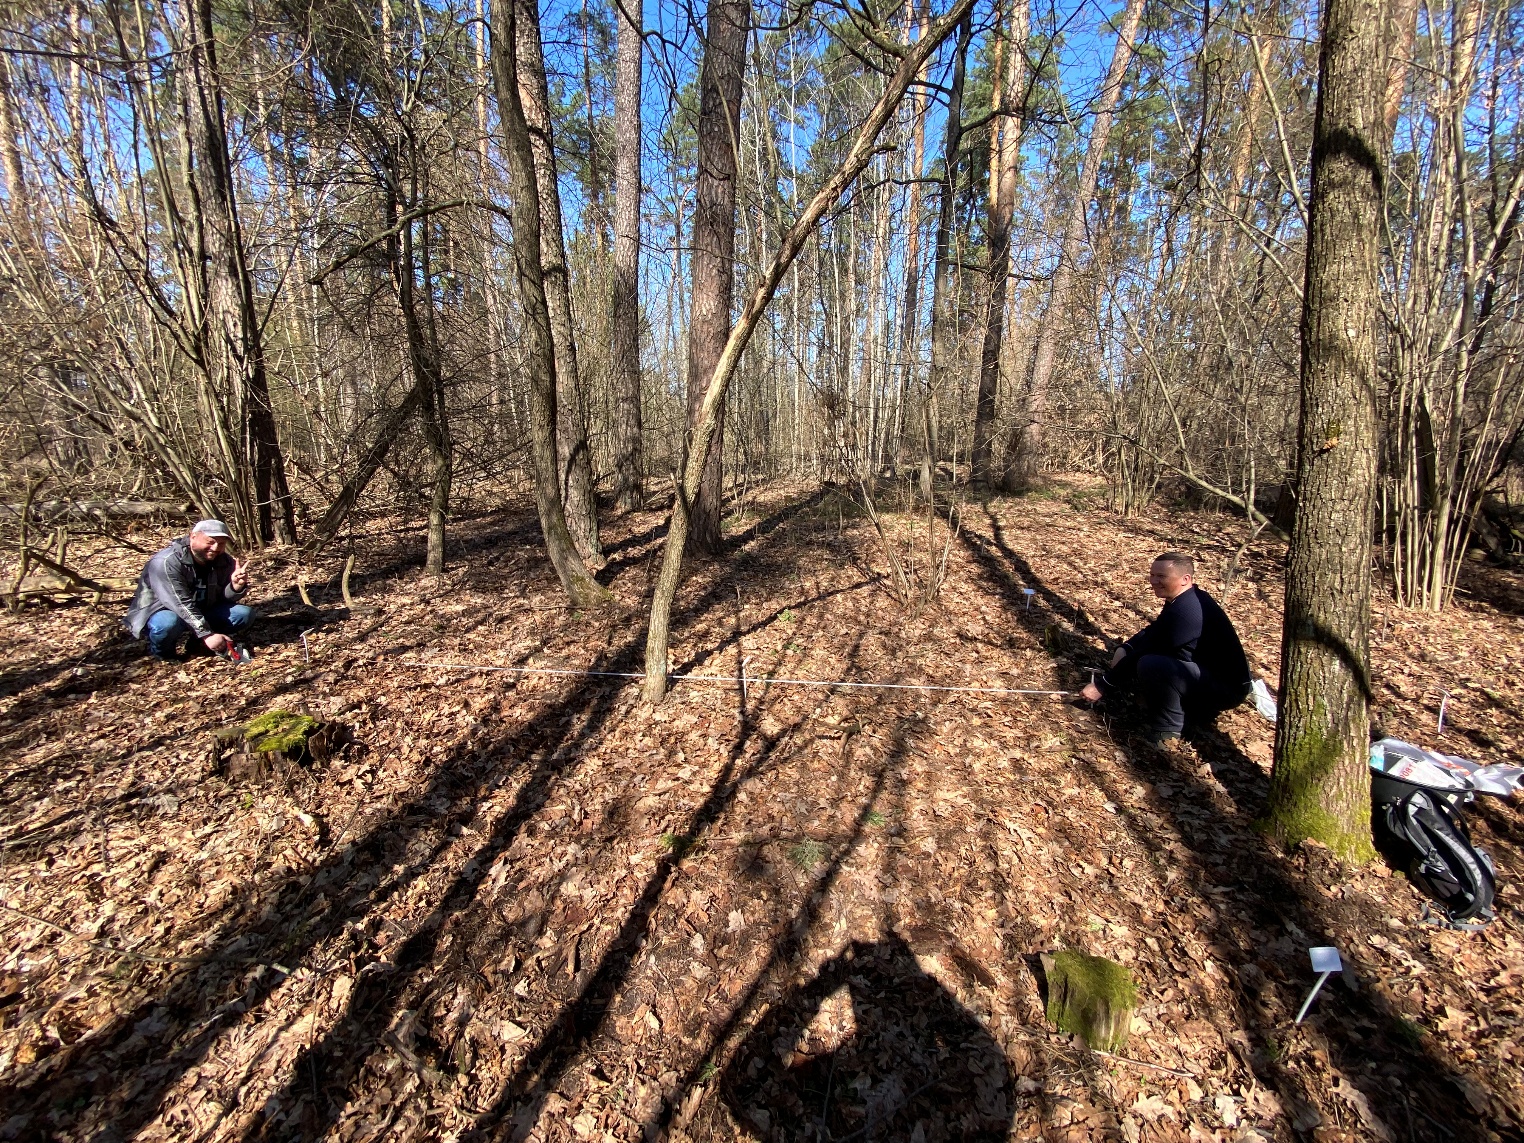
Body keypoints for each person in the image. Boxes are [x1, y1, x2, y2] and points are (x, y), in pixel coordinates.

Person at [1079, 552, 1251, 743]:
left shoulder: (1189, 612)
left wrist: (1102, 685)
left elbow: (1151, 648)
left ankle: (1167, 730)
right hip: (1206, 674)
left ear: (1185, 579)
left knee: (1152, 664)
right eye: (1152, 575)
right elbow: (1155, 630)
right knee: (1148, 662)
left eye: (1161, 576)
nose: (1153, 581)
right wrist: (1127, 647)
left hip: (1226, 689)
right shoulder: (1182, 599)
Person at [124, 520, 253, 660]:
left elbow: (223, 599)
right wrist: (207, 634)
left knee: (243, 614)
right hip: (163, 611)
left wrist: (235, 587)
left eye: (221, 544)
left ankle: (197, 646)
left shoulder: (224, 561)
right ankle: (164, 656)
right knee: (167, 624)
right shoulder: (166, 562)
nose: (215, 548)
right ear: (193, 537)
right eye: (210, 542)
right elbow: (179, 603)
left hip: (201, 610)